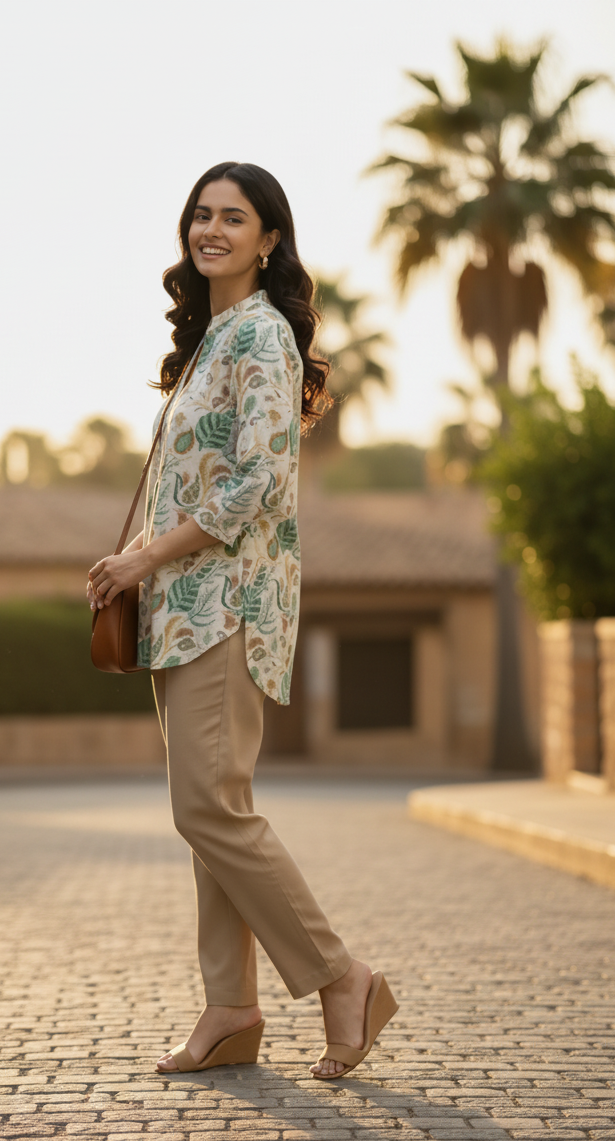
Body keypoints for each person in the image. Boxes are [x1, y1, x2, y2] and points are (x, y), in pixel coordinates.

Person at [87, 161, 397, 1080]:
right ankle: (230, 1009)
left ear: (269, 240)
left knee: (208, 810)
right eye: (200, 215)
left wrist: (144, 555)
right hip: (179, 614)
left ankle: (344, 978)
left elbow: (257, 484)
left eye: (234, 217)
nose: (211, 229)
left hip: (226, 608)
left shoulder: (261, 336)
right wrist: (137, 568)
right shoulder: (210, 343)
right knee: (211, 813)